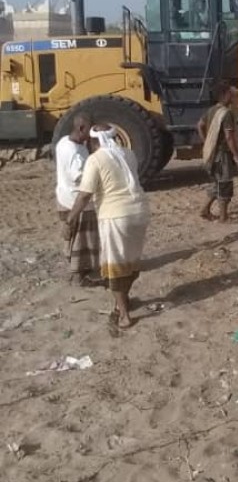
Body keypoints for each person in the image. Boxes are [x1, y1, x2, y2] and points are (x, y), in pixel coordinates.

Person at [68, 124, 150, 333]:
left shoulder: (95, 159)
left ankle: (123, 315)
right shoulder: (128, 154)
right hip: (139, 212)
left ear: (94, 141)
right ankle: (122, 300)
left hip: (115, 217)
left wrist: (71, 218)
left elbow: (85, 194)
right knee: (131, 263)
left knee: (114, 267)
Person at [54, 112, 99, 284]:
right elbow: (81, 178)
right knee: (81, 240)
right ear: (81, 128)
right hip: (76, 201)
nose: (91, 135)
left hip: (64, 197)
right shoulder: (74, 152)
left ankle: (77, 271)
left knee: (71, 237)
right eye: (89, 130)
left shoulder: (64, 141)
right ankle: (79, 275)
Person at [198, 81, 238, 222]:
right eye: (231, 93)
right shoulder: (227, 114)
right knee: (225, 184)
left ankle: (204, 210)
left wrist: (207, 141)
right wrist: (237, 156)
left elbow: (199, 125)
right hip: (222, 155)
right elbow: (229, 138)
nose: (233, 95)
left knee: (217, 183)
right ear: (225, 95)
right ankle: (224, 217)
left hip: (212, 155)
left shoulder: (212, 110)